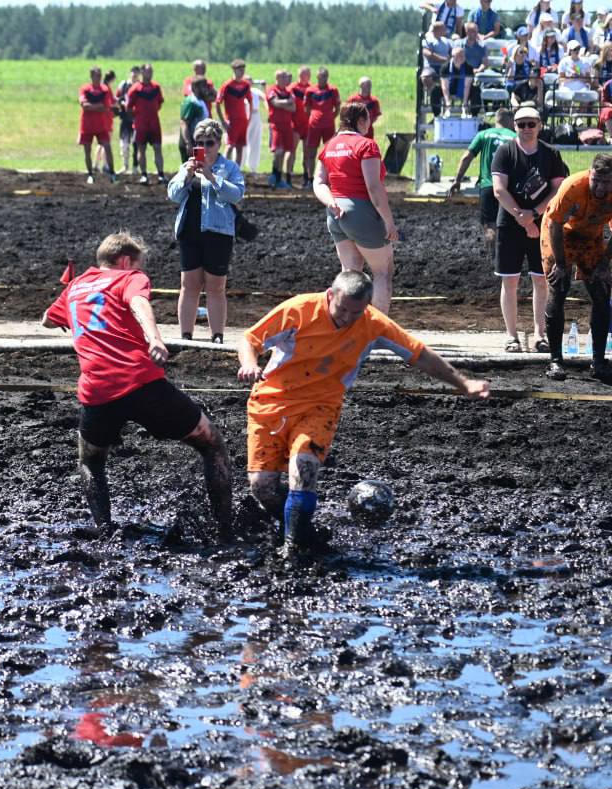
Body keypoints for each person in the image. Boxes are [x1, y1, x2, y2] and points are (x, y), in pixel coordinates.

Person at [238, 270, 490, 560]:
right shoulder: (299, 309)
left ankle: (292, 549)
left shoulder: (373, 325)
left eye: (355, 313)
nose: (347, 318)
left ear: (367, 307)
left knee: (304, 468)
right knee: (262, 487)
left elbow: (419, 354)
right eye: (342, 309)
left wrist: (464, 382)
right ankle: (305, 534)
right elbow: (250, 339)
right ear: (330, 295)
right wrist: (249, 363)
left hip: (321, 407)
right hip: (270, 404)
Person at [42, 232, 233, 536]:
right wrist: (154, 338)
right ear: (124, 261)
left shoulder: (75, 287)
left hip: (97, 390)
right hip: (140, 381)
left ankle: (104, 529)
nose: (142, 270)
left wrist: (74, 320)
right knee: (212, 444)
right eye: (139, 264)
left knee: (90, 461)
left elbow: (47, 320)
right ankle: (225, 526)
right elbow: (138, 303)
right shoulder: (129, 278)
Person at [492, 104, 567, 352]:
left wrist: (534, 214)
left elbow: (558, 189)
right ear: (514, 126)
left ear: (540, 126)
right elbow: (499, 189)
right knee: (510, 281)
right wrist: (522, 217)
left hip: (542, 223)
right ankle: (511, 336)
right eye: (521, 124)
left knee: (541, 279)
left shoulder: (551, 154)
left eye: (531, 124)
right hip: (510, 224)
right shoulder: (505, 151)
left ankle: (539, 334)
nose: (526, 128)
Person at [313, 101, 398, 314]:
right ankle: (378, 328)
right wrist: (389, 222)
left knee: (349, 274)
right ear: (360, 120)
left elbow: (318, 182)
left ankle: (339, 321)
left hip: (336, 212)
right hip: (362, 211)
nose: (369, 123)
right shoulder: (366, 145)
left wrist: (331, 202)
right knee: (382, 272)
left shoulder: (329, 145)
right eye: (368, 118)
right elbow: (373, 187)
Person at [168, 118, 245, 343]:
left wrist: (212, 177)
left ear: (219, 143)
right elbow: (172, 194)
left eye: (209, 142)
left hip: (218, 232)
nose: (204, 147)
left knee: (216, 287)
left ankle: (217, 335)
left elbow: (236, 194)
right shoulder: (187, 166)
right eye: (199, 143)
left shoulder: (229, 168)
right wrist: (187, 175)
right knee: (188, 285)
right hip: (190, 232)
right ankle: (186, 335)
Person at [540, 154, 612, 379]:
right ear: (589, 174)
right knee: (558, 287)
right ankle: (555, 360)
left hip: (591, 237)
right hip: (561, 235)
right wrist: (561, 264)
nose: (601, 187)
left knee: (601, 290)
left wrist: (604, 264)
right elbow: (554, 224)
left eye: (607, 182)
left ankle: (598, 361)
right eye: (596, 180)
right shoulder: (571, 187)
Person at [448, 108, 516, 263]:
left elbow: (466, 157)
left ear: (496, 120)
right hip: (507, 188)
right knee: (508, 224)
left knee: (489, 225)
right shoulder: (514, 138)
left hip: (487, 185)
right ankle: (507, 259)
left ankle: (494, 261)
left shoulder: (483, 135)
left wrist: (457, 180)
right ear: (510, 121)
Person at [302, 67, 341, 190]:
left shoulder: (333, 90)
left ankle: (329, 180)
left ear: (327, 77)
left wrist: (331, 117)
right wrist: (314, 118)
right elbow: (306, 108)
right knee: (311, 153)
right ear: (317, 77)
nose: (322, 78)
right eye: (320, 76)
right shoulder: (310, 91)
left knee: (330, 153)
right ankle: (309, 179)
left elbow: (338, 106)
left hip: (329, 125)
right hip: (314, 126)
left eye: (324, 76)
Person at [128, 63, 167, 184]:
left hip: (154, 123)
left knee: (157, 148)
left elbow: (159, 103)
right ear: (142, 72)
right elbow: (129, 107)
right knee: (141, 149)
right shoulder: (135, 89)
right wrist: (137, 117)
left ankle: (160, 174)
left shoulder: (156, 87)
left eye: (151, 71)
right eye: (148, 71)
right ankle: (144, 174)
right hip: (141, 124)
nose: (150, 74)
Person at [78, 66, 116, 184]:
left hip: (101, 125)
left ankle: (112, 173)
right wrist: (97, 106)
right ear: (91, 76)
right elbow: (84, 105)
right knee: (87, 149)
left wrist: (92, 107)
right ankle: (90, 173)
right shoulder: (85, 89)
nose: (98, 77)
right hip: (87, 125)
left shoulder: (104, 90)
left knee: (107, 147)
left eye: (100, 75)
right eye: (96, 75)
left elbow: (106, 107)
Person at [266, 70, 297, 188]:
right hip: (276, 125)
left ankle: (279, 178)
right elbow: (275, 103)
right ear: (277, 78)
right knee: (278, 151)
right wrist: (286, 103)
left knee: (284, 151)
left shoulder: (289, 91)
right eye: (283, 77)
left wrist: (283, 104)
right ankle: (274, 174)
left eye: (286, 77)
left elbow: (293, 108)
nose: (286, 80)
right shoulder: (272, 89)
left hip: (287, 125)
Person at [218, 60, 251, 167]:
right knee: (230, 146)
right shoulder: (227, 85)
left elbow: (250, 102)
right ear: (234, 70)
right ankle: (223, 169)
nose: (241, 72)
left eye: (243, 70)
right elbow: (218, 103)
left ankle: (236, 172)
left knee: (240, 147)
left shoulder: (246, 85)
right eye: (239, 70)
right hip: (232, 120)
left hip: (243, 121)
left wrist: (249, 118)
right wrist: (223, 121)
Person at [116, 65, 142, 175]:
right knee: (124, 144)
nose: (134, 75)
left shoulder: (140, 86)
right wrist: (122, 104)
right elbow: (117, 98)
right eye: (133, 72)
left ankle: (135, 166)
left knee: (136, 143)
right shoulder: (123, 85)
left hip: (136, 118)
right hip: (125, 118)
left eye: (137, 73)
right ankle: (125, 165)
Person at [179, 77, 210, 167]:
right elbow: (184, 123)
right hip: (193, 142)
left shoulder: (201, 101)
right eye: (203, 87)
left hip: (199, 142)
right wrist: (188, 143)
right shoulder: (191, 102)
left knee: (199, 168)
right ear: (195, 88)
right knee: (191, 170)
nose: (206, 89)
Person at [290, 66, 313, 184]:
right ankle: (289, 176)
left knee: (307, 153)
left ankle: (306, 177)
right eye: (302, 74)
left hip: (308, 125)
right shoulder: (293, 88)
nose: (304, 77)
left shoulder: (312, 89)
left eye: (306, 74)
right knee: (292, 150)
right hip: (295, 124)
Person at [243, 78, 265, 175]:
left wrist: (263, 86)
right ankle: (240, 165)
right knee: (242, 141)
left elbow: (264, 97)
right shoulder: (240, 92)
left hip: (255, 114)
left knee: (255, 141)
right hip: (244, 114)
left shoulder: (255, 91)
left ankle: (253, 166)